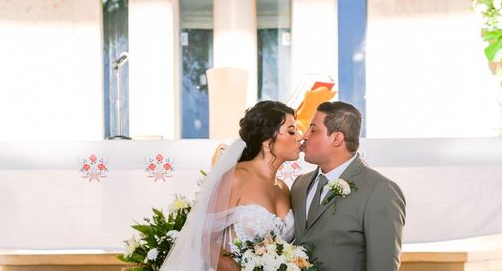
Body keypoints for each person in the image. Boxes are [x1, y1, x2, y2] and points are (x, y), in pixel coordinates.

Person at [160, 100, 302, 271]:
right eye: (292, 131)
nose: (299, 137)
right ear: (267, 140)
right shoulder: (235, 179)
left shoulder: (283, 187)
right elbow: (202, 239)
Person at [291, 101, 406, 271]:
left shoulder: (381, 191)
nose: (304, 135)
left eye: (313, 130)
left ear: (337, 138)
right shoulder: (299, 185)